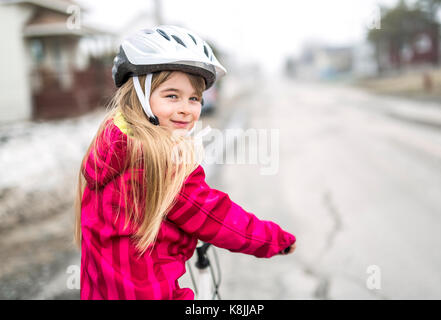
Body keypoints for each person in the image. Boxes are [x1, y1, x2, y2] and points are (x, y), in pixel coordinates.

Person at [73, 25, 296, 300]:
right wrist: (275, 240)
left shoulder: (109, 145)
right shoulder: (161, 162)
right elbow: (219, 219)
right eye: (172, 95)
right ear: (140, 96)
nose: (186, 108)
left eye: (194, 98)